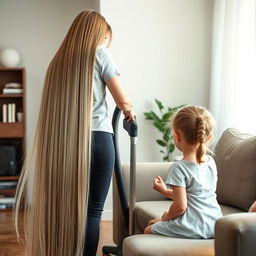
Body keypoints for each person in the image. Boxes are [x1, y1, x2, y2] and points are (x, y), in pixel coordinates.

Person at [15, 10, 135, 256]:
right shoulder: (100, 54)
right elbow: (123, 101)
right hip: (99, 140)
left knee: (67, 208)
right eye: (104, 38)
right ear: (98, 35)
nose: (104, 43)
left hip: (64, 144)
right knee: (93, 210)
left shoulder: (57, 63)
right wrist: (129, 111)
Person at [144, 106, 222, 239]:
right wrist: (164, 191)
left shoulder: (179, 168)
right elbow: (195, 195)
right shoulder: (210, 162)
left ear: (177, 136)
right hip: (214, 225)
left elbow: (180, 206)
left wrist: (165, 218)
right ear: (208, 137)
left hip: (192, 227)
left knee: (147, 229)